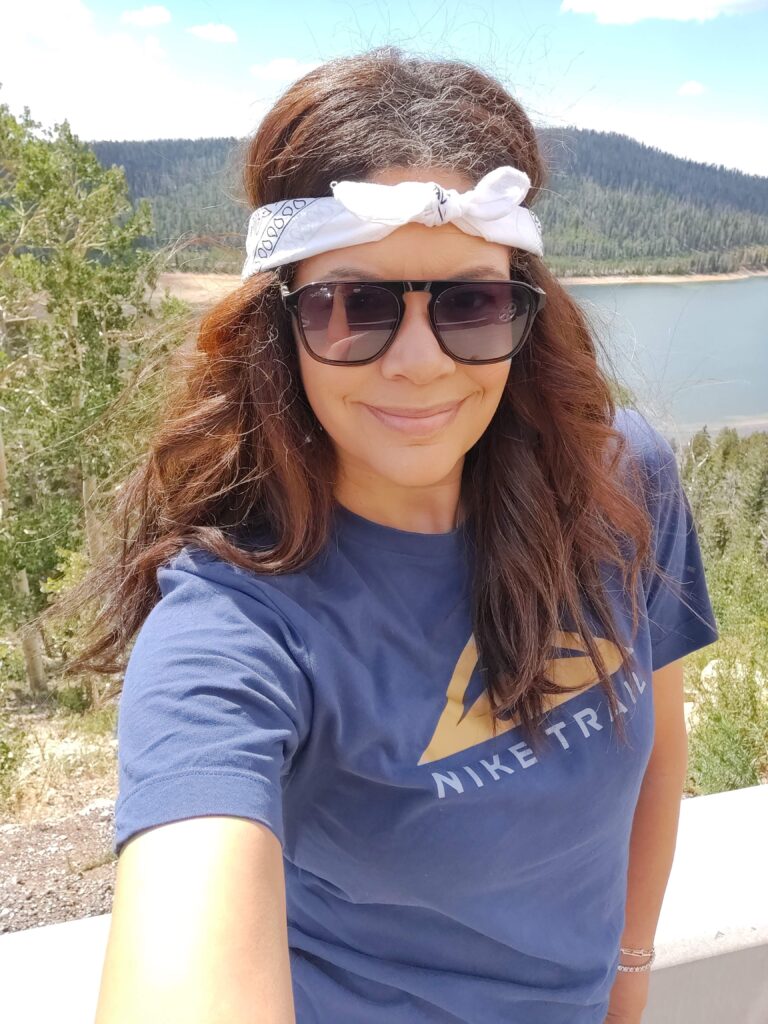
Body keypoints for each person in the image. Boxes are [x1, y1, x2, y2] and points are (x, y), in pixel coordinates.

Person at [83, 46, 719, 1024]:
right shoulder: (237, 624)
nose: (420, 363)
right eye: (354, 306)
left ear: (524, 310)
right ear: (281, 324)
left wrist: (628, 981)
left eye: (472, 303)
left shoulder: (620, 484)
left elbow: (658, 747)